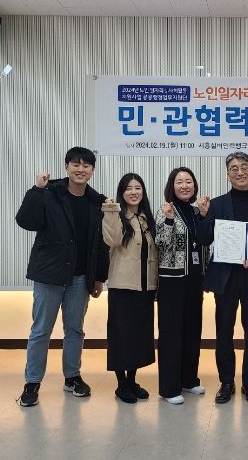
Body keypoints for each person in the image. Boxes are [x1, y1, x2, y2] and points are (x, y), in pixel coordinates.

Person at [16, 147, 109, 407]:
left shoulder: (96, 201)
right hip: (49, 275)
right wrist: (36, 190)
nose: (80, 169)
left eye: (86, 165)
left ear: (92, 170)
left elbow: (100, 243)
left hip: (80, 277)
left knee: (75, 330)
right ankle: (32, 383)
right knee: (41, 331)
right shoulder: (49, 193)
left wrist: (99, 277)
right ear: (66, 166)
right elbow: (26, 221)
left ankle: (72, 377)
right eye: (75, 164)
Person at [198, 152, 248, 404]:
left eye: (244, 167)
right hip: (225, 277)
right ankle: (226, 382)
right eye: (234, 168)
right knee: (224, 330)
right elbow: (205, 239)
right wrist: (203, 215)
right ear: (228, 175)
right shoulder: (217, 204)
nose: (240, 172)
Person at [155, 167, 210, 405]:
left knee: (192, 330)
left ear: (194, 186)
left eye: (189, 181)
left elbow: (206, 240)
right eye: (179, 182)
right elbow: (160, 243)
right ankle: (169, 388)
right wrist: (168, 220)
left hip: (195, 279)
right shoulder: (165, 210)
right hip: (172, 280)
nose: (185, 186)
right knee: (171, 334)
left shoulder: (197, 211)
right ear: (172, 186)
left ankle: (188, 380)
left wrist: (205, 216)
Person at [102, 173, 157, 404]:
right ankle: (121, 384)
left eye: (138, 188)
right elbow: (112, 240)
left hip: (145, 287)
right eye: (128, 188)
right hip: (122, 286)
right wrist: (111, 210)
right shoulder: (115, 215)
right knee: (121, 336)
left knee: (139, 335)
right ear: (121, 193)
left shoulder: (147, 218)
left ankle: (132, 380)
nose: (134, 192)